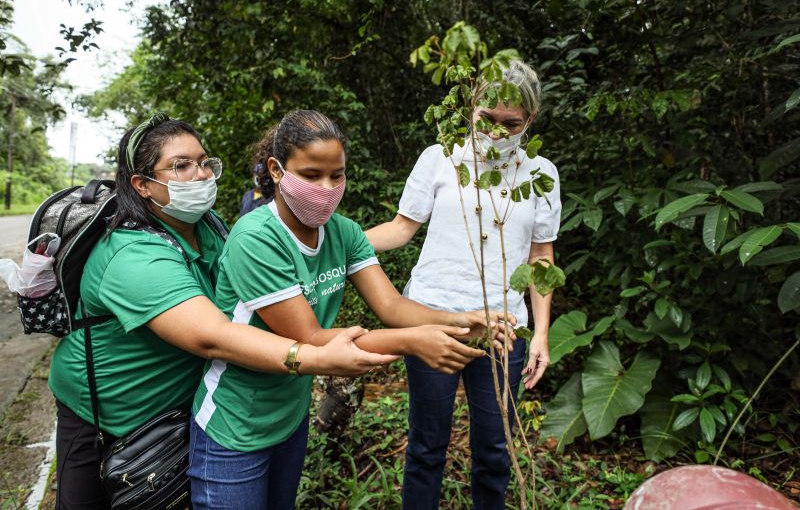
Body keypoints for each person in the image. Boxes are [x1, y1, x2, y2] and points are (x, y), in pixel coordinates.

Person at [48, 113, 397, 510]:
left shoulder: (208, 228)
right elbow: (211, 335)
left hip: (182, 405)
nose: (199, 175)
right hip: (110, 410)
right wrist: (312, 355)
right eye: (181, 166)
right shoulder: (132, 256)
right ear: (142, 185)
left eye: (203, 162)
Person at [188, 109, 511, 509]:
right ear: (275, 170)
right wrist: (414, 342)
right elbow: (310, 339)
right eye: (310, 175)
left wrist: (461, 321)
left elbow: (391, 305)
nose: (326, 187)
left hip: (289, 417)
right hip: (234, 423)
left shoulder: (344, 232)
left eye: (336, 175)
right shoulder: (256, 238)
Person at [365, 61, 562, 509]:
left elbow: (542, 259)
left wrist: (542, 337)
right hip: (433, 319)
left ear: (529, 121)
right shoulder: (440, 158)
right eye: (486, 119)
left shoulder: (540, 174)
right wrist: (336, 246)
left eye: (510, 124)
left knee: (495, 450)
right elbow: (400, 229)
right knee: (426, 445)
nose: (496, 133)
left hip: (503, 329)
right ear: (470, 108)